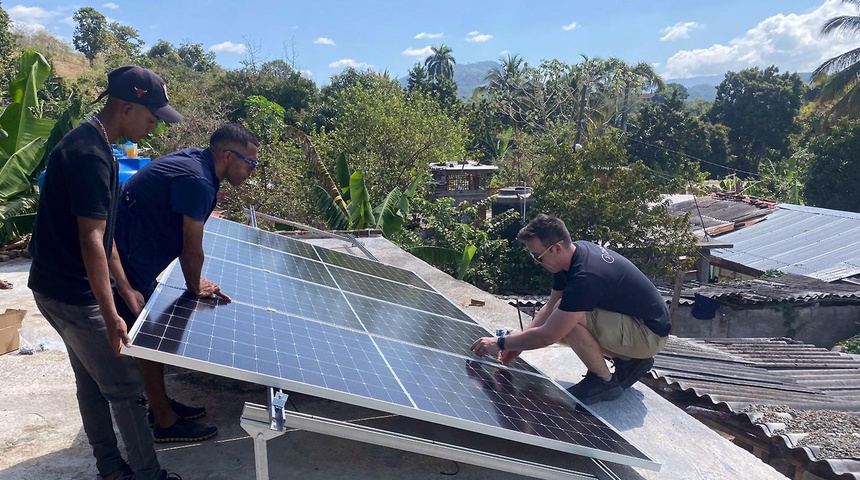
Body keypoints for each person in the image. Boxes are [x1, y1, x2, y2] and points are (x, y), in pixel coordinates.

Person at [28, 65, 183, 480]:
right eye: (151, 117)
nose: (154, 127)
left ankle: (112, 470)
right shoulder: (88, 156)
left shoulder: (99, 144)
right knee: (126, 387)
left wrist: (126, 289)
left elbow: (106, 233)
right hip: (70, 294)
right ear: (127, 108)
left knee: (93, 386)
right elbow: (89, 240)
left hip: (55, 288)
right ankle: (148, 474)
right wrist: (111, 313)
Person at [114, 123, 260, 442]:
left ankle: (160, 403)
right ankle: (165, 421)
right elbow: (190, 247)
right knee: (147, 340)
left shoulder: (199, 164)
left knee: (153, 335)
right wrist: (196, 286)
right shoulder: (197, 181)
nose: (253, 170)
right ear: (227, 155)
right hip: (123, 265)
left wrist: (195, 281)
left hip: (135, 254)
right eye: (250, 162)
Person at [470, 214, 669, 405]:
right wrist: (518, 343)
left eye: (537, 256)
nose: (536, 262)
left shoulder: (586, 276)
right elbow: (549, 307)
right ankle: (627, 359)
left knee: (567, 322)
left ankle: (604, 382)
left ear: (556, 248)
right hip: (633, 324)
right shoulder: (571, 257)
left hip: (648, 335)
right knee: (560, 316)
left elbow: (547, 335)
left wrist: (501, 343)